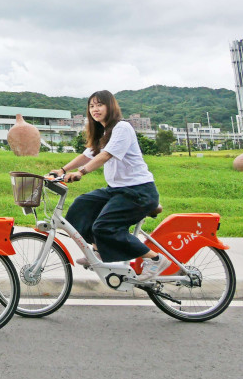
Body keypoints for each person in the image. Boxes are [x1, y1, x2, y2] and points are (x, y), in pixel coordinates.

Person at [48, 90, 171, 280]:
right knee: (81, 206)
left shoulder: (122, 128)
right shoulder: (103, 131)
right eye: (91, 106)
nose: (95, 109)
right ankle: (98, 251)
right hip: (117, 190)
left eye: (99, 105)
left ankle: (154, 259)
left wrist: (81, 172)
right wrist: (62, 170)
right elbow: (88, 154)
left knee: (104, 227)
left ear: (110, 106)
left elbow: (105, 155)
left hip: (138, 191)